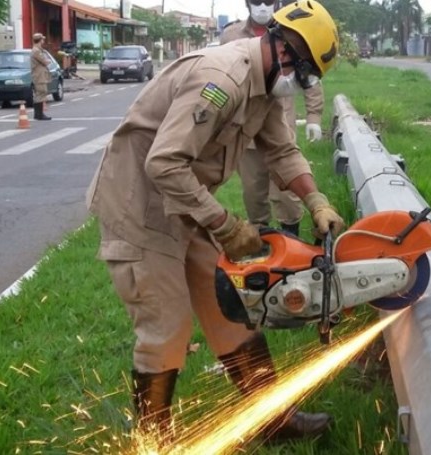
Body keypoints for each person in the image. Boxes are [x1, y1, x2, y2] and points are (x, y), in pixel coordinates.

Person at [87, 0, 343, 441]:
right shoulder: (220, 81)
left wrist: (316, 200)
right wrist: (225, 225)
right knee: (166, 325)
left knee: (231, 309)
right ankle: (154, 444)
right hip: (140, 206)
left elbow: (281, 150)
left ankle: (271, 421)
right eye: (302, 77)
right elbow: (164, 163)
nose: (299, 88)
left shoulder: (265, 85)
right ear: (285, 53)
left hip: (184, 202)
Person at [220, 0, 325, 237]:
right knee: (253, 191)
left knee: (287, 191)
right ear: (248, 3)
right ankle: (262, 245)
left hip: (281, 125)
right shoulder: (231, 35)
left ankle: (292, 239)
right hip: (244, 130)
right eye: (257, 1)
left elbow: (309, 73)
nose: (262, 7)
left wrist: (314, 116)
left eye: (268, 1)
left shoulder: (290, 31)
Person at [30, 33, 52, 120]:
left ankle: (38, 114)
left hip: (40, 75)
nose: (43, 41)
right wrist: (48, 60)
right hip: (39, 75)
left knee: (41, 93)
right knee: (41, 93)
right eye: (42, 39)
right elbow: (45, 61)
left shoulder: (38, 50)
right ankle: (39, 114)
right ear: (39, 40)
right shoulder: (36, 51)